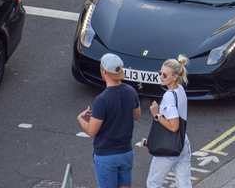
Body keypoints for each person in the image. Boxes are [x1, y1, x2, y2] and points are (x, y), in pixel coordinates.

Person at [77, 53, 141, 188]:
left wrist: (80, 119)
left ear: (104, 71)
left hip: (107, 156)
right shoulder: (131, 91)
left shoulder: (102, 99)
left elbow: (91, 131)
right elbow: (136, 115)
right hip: (126, 153)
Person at [146, 55, 192, 188]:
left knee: (153, 183)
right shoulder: (180, 90)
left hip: (169, 146)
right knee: (184, 183)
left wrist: (156, 114)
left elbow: (174, 126)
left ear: (175, 77)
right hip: (183, 142)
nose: (161, 77)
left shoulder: (168, 96)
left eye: (165, 75)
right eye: (160, 73)